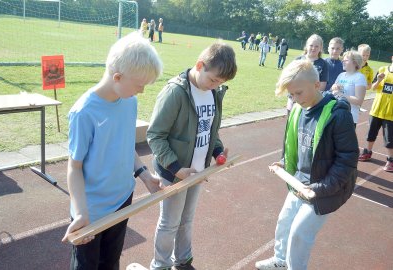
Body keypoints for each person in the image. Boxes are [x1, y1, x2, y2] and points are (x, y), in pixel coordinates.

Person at [61, 32, 163, 270]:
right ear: (117, 77)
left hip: (122, 200)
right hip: (91, 212)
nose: (142, 92)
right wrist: (80, 213)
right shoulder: (84, 112)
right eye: (139, 85)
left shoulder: (129, 101)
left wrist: (144, 175)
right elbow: (73, 167)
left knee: (110, 263)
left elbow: (125, 146)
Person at [255, 60, 358, 270]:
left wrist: (320, 189)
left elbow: (347, 159)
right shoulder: (297, 110)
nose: (294, 99)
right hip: (299, 182)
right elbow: (295, 146)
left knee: (299, 234)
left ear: (317, 85)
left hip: (326, 189)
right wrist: (284, 163)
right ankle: (280, 261)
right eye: (290, 95)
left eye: (298, 93)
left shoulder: (338, 115)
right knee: (284, 223)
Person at [147, 41, 237, 270]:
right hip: (174, 171)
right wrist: (177, 169)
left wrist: (218, 152)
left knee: (186, 220)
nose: (215, 85)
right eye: (213, 79)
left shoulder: (213, 93)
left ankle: (183, 261)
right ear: (200, 65)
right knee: (170, 223)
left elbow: (210, 130)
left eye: (221, 83)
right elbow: (155, 135)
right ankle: (161, 265)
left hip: (197, 170)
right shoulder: (175, 92)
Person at [358, 55, 393, 172]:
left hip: (390, 113)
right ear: (392, 58)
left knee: (389, 138)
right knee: (371, 133)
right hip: (376, 109)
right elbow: (373, 87)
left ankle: (390, 160)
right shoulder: (382, 70)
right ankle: (367, 152)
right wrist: (378, 80)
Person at [286, 34, 329, 113]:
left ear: (321, 48)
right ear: (306, 46)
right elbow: (289, 79)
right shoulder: (298, 60)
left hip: (312, 102)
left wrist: (308, 96)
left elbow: (322, 85)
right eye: (311, 45)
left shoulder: (323, 64)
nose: (313, 48)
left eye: (316, 46)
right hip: (294, 100)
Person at [331, 50, 367, 127]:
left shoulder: (359, 77)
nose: (343, 61)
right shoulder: (341, 75)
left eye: (346, 60)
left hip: (349, 117)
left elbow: (359, 101)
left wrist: (341, 95)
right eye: (343, 60)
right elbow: (333, 90)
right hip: (335, 114)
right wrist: (334, 87)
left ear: (355, 62)